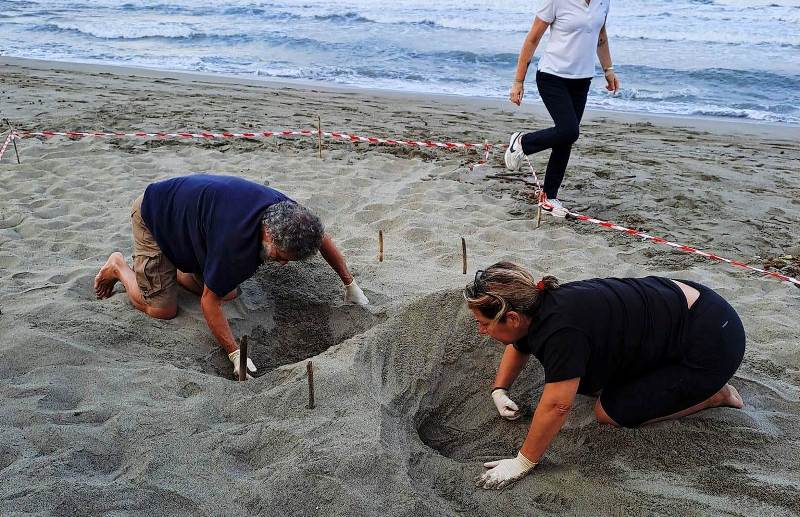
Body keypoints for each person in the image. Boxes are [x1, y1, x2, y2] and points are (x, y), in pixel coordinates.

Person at [464, 262, 745, 490]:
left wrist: (523, 462)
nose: (481, 331)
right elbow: (518, 344)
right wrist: (499, 389)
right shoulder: (536, 306)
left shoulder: (560, 331)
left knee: (610, 410)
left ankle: (714, 394)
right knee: (589, 382)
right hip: (682, 312)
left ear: (511, 317)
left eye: (484, 324)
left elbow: (557, 405)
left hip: (712, 340)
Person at [94, 174, 369, 378]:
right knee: (163, 309)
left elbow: (321, 238)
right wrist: (235, 353)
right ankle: (119, 267)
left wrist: (349, 283)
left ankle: (169, 268)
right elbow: (208, 303)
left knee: (229, 291)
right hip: (154, 216)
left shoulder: (291, 215)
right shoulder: (234, 244)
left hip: (192, 227)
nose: (283, 265)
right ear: (269, 235)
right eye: (281, 257)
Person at [504, 0, 620, 217]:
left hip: (582, 80)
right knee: (569, 130)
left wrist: (608, 69)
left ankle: (549, 197)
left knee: (566, 138)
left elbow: (600, 37)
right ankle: (522, 142)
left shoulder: (604, 2)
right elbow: (533, 38)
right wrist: (518, 81)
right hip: (552, 77)